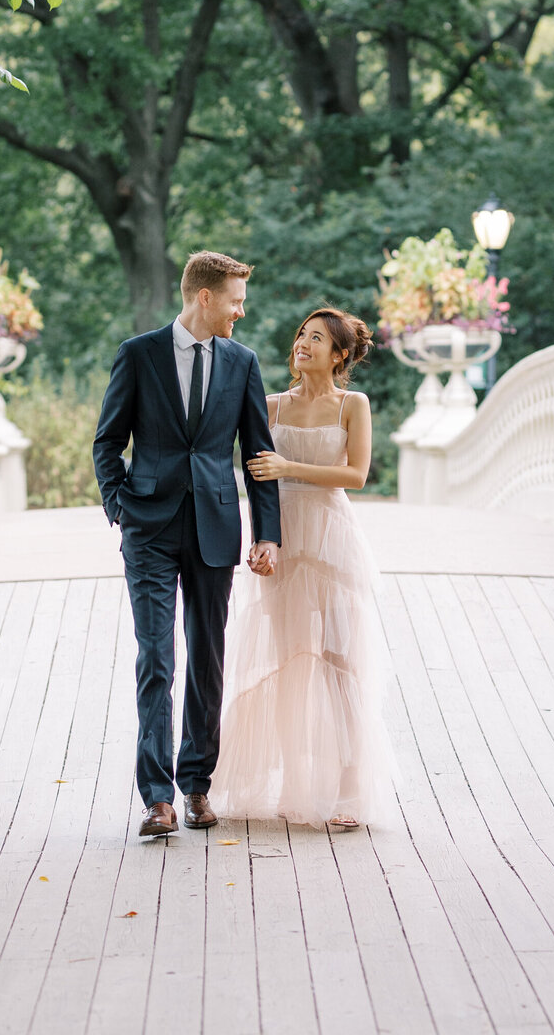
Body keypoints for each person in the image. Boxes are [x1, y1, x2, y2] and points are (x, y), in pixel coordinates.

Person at [93, 250, 282, 840]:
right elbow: (107, 443)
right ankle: (157, 799)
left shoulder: (241, 362)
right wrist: (120, 506)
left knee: (206, 660)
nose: (240, 312)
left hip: (214, 528)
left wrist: (267, 534)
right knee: (157, 659)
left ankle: (196, 784)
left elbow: (257, 457)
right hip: (147, 530)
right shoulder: (139, 354)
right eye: (235, 300)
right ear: (205, 296)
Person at [213, 306, 397, 830]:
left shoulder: (352, 405)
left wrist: (289, 467)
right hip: (284, 540)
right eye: (301, 334)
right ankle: (295, 784)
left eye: (317, 338)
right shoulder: (268, 406)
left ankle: (349, 787)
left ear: (340, 354)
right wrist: (259, 538)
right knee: (293, 659)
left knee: (340, 660)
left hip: (333, 538)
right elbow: (246, 470)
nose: (303, 343)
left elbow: (356, 475)